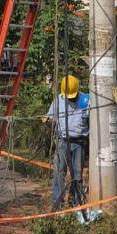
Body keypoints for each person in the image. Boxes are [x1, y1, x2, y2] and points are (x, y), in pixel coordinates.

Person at [45, 74, 89, 209]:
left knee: (77, 174)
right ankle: (57, 202)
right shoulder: (58, 100)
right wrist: (47, 121)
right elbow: (50, 118)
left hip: (79, 142)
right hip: (62, 141)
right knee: (59, 172)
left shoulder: (86, 101)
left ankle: (74, 201)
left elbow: (92, 122)